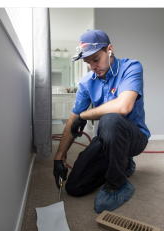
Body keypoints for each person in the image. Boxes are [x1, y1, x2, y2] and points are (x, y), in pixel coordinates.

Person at [53, 29, 149, 213]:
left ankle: (118, 184)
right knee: (75, 187)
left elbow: (123, 107)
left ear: (110, 50)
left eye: (95, 59)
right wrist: (58, 157)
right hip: (107, 139)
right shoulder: (87, 82)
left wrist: (84, 115)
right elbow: (72, 120)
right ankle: (123, 164)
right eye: (88, 62)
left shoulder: (132, 67)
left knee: (111, 119)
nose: (92, 67)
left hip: (134, 138)